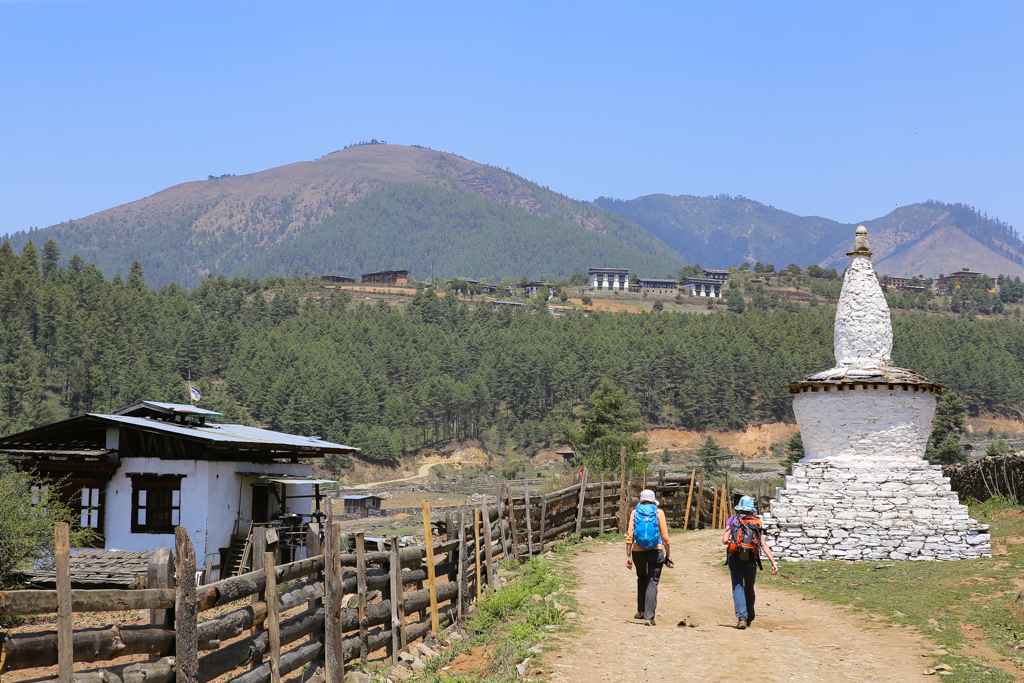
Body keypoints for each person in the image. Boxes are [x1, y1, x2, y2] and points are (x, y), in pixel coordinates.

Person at [721, 495, 778, 629]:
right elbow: (763, 544)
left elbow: (724, 540)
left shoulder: (733, 520)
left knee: (738, 586)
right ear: (751, 509)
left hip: (735, 557)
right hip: (752, 558)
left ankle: (741, 618)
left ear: (740, 507)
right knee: (749, 587)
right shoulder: (756, 522)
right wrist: (773, 562)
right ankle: (750, 616)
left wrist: (734, 544)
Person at [625, 488, 670, 626]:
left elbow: (630, 536)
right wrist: (668, 554)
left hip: (638, 552)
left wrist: (628, 555)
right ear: (653, 500)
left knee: (642, 578)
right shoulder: (658, 512)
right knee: (653, 582)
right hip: (655, 551)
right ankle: (649, 617)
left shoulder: (635, 512)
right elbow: (665, 536)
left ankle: (641, 611)